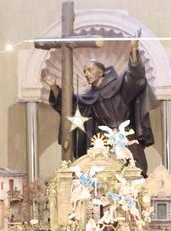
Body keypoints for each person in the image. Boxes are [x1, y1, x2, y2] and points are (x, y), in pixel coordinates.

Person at [42, 34, 157, 175]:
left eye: (90, 69)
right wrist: (54, 87)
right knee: (100, 174)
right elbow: (70, 107)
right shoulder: (89, 97)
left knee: (135, 172)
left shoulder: (120, 85)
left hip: (125, 136)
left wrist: (133, 51)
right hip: (102, 141)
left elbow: (136, 78)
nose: (86, 73)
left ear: (102, 72)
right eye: (84, 71)